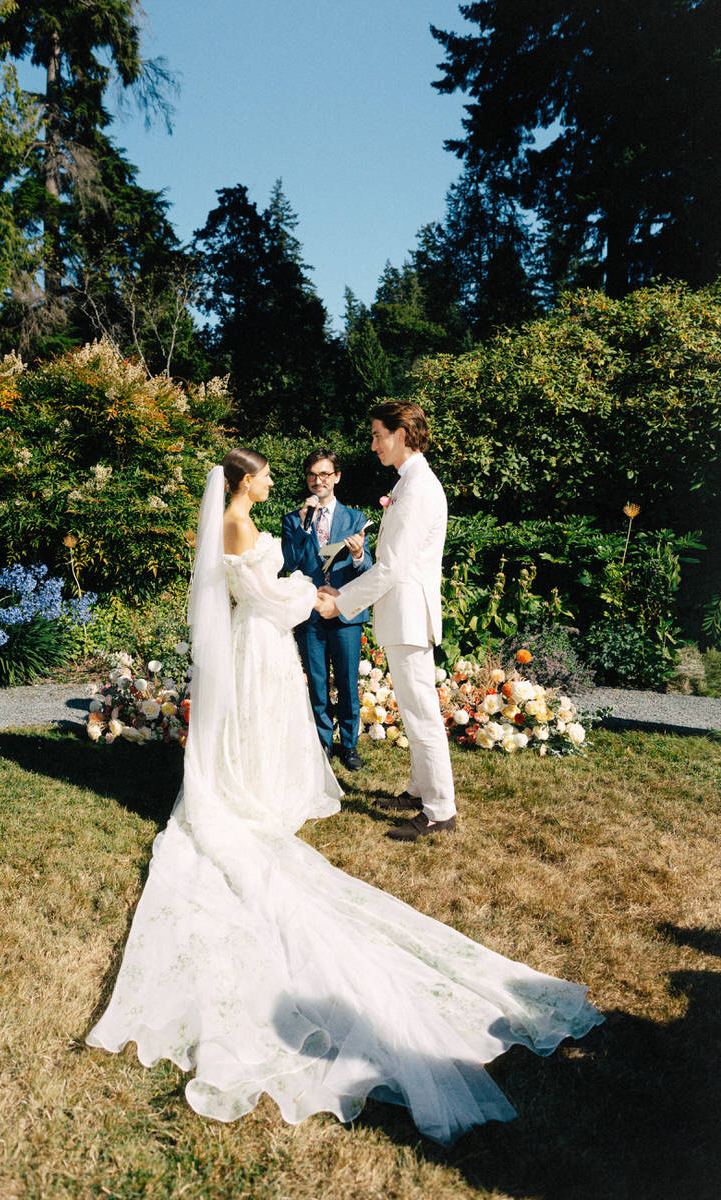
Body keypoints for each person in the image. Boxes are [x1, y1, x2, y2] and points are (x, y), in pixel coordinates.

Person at [87, 447, 603, 1147]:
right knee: (262, 723)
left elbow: (326, 577)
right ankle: (254, 792)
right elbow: (261, 594)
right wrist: (305, 593)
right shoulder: (239, 523)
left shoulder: (283, 512)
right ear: (244, 483)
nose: (277, 481)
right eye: (265, 473)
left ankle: (278, 788)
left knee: (272, 723)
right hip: (260, 636)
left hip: (272, 638)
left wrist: (311, 594)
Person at [315, 401, 456, 843]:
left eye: (378, 434)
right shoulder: (407, 484)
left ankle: (439, 810)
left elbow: (392, 567)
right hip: (400, 615)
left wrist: (341, 604)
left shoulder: (418, 489)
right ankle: (418, 792)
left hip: (410, 616)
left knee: (421, 714)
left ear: (402, 433)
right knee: (415, 712)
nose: (373, 443)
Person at [282, 448, 372, 770]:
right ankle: (322, 743)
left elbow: (369, 568)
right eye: (312, 474)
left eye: (324, 474)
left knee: (347, 682)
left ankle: (349, 746)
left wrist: (360, 555)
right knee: (317, 682)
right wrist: (304, 526)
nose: (317, 480)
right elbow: (290, 564)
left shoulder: (355, 518)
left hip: (345, 612)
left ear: (336, 477)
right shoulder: (293, 519)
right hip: (309, 612)